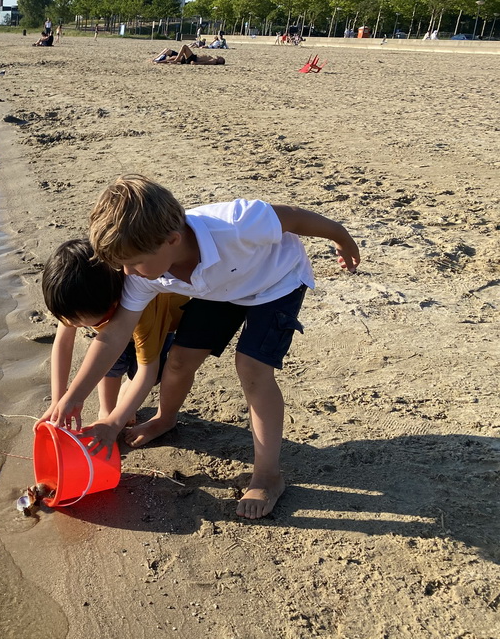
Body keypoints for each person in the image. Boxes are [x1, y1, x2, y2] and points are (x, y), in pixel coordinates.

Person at [38, 175, 360, 519]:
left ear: (173, 240)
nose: (127, 273)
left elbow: (295, 217)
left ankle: (268, 475)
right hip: (219, 290)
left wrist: (341, 238)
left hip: (276, 283)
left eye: (133, 262)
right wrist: (72, 398)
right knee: (178, 361)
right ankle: (165, 418)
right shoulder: (143, 272)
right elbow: (113, 336)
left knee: (251, 367)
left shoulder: (236, 224)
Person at [42, 239, 187, 433]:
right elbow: (63, 343)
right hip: (117, 332)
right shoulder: (74, 299)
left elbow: (147, 372)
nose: (73, 325)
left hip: (162, 325)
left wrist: (117, 420)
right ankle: (106, 409)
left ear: (112, 306)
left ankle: (122, 405)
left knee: (149, 375)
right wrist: (57, 399)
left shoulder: (144, 307)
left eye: (80, 323)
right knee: (108, 365)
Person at [152, 45, 224, 65]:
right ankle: (159, 61)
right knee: (172, 58)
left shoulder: (214, 61)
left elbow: (206, 63)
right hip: (193, 58)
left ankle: (175, 61)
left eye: (221, 58)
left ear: (220, 61)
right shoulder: (213, 59)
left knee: (184, 47)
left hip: (194, 58)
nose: (220, 57)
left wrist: (196, 63)